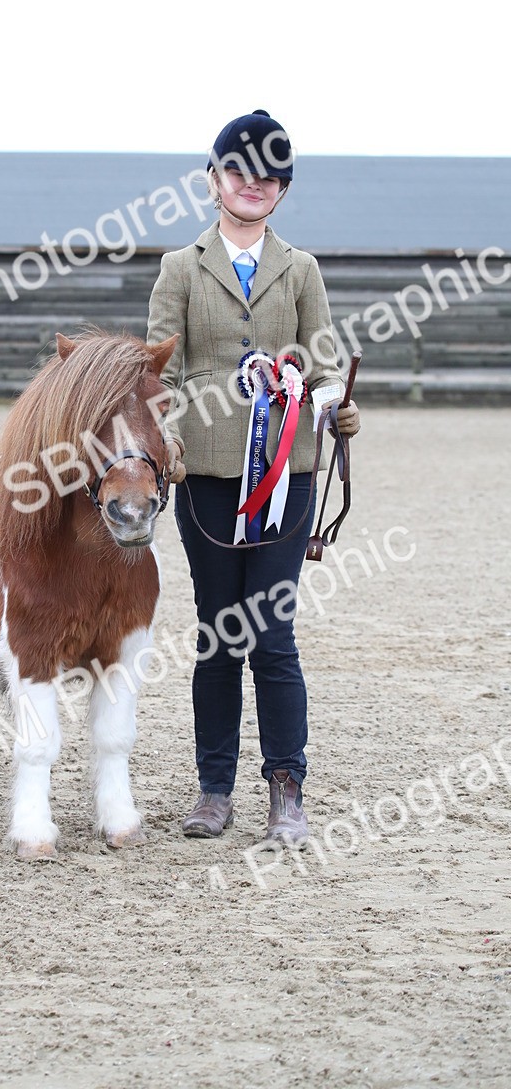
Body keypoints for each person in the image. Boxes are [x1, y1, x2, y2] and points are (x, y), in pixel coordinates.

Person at [146, 109, 361, 844]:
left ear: (281, 192)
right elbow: (160, 372)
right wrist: (168, 441)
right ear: (212, 181)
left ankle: (285, 789)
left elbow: (325, 367)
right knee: (216, 634)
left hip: (287, 475)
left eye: (267, 177)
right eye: (237, 172)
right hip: (206, 478)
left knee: (272, 634)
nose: (251, 185)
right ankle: (214, 789)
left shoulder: (300, 271)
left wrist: (335, 407)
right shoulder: (180, 268)